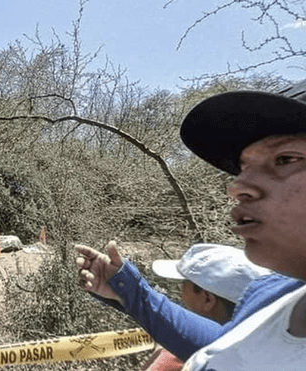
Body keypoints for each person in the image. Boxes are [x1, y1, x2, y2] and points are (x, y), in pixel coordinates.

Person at [77, 78, 306, 370]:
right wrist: (127, 289)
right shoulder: (271, 293)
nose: (238, 186)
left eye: (285, 159)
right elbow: (224, 344)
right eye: (244, 167)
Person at [140, 243, 270, 371]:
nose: (180, 292)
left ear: (207, 299)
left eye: (184, 284)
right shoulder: (266, 351)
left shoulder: (180, 359)